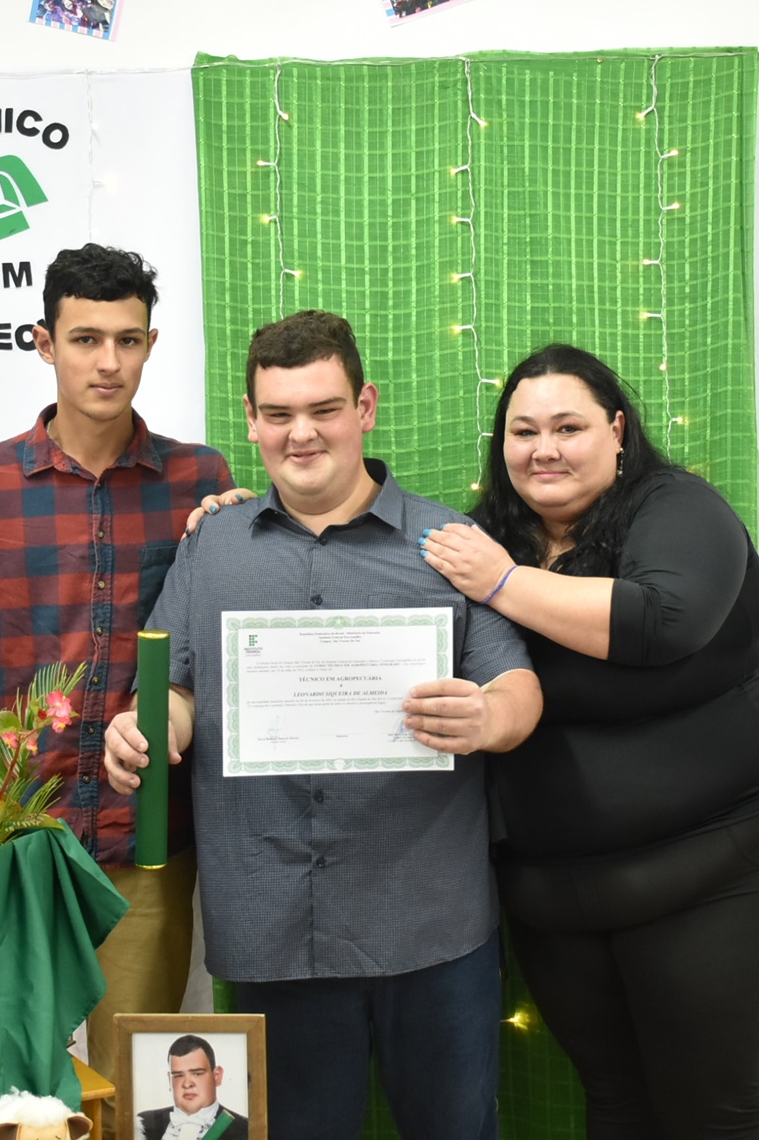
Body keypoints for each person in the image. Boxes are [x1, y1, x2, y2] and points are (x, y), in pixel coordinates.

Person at [103, 310, 543, 1140]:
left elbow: (517, 685)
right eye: (278, 413)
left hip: (432, 923)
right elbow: (177, 690)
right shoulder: (211, 546)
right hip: (271, 928)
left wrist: (488, 715)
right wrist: (147, 726)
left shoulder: (448, 543)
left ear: (364, 407)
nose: (300, 434)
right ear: (251, 419)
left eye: (324, 409)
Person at [417, 343, 759, 1140]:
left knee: (716, 1111)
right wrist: (236, 520)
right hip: (555, 892)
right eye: (524, 431)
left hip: (714, 867)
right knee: (617, 1105)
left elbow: (663, 619)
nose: (545, 448)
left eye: (569, 426)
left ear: (618, 430)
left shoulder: (678, 508)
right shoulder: (488, 536)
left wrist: (502, 583)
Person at [0, 244, 243, 1110]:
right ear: (44, 342)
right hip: (11, 836)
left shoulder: (201, 480)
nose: (109, 362)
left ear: (151, 345)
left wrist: (239, 530)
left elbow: (214, 646)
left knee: (138, 1090)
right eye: (86, 338)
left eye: (128, 340)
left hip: (144, 841)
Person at [137, 1035, 251, 1140]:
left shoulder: (247, 1129)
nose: (187, 1084)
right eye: (178, 1075)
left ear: (217, 1076)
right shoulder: (142, 1123)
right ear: (169, 1080)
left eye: (197, 1074)